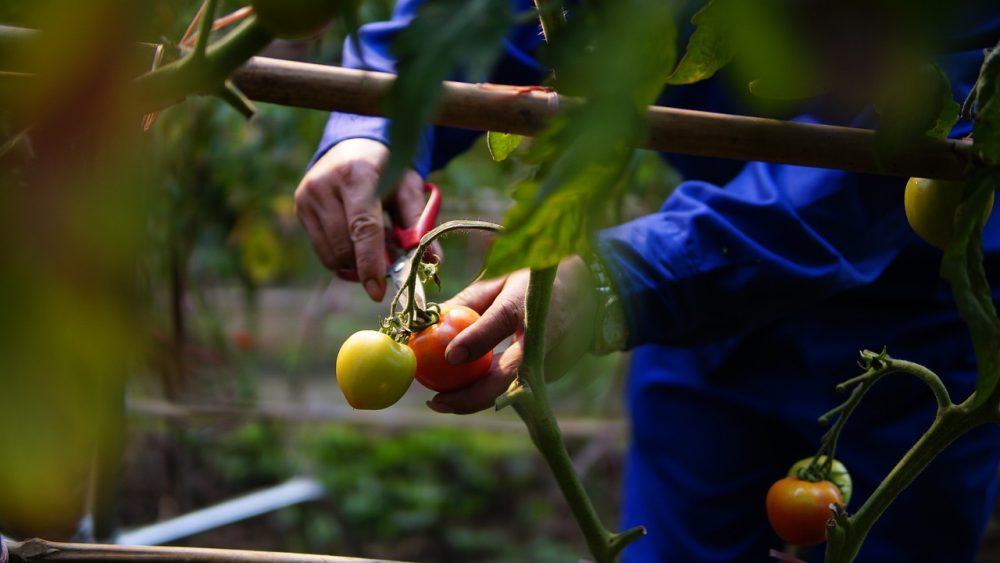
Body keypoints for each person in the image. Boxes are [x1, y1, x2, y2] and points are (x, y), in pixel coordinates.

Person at [296, 1, 1000, 560]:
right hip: (703, 304)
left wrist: (624, 276)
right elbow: (502, 10)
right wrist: (374, 126)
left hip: (918, 320)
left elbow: (898, 147)